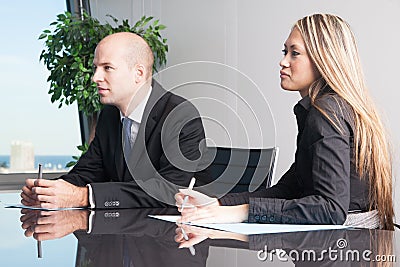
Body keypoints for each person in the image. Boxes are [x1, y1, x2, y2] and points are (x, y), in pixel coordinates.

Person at [176, 14, 394, 230]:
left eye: (295, 53)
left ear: (323, 60)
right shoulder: (330, 109)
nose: (283, 61)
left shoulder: (327, 113)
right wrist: (219, 204)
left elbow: (330, 209)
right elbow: (289, 189)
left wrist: (240, 213)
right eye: (285, 52)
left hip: (343, 248)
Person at [21, 32, 208, 209]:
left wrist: (84, 196)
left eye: (107, 68)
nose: (95, 78)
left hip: (175, 235)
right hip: (124, 231)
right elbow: (88, 172)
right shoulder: (109, 115)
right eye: (96, 68)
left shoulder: (181, 116)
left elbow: (169, 191)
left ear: (139, 74)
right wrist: (47, 191)